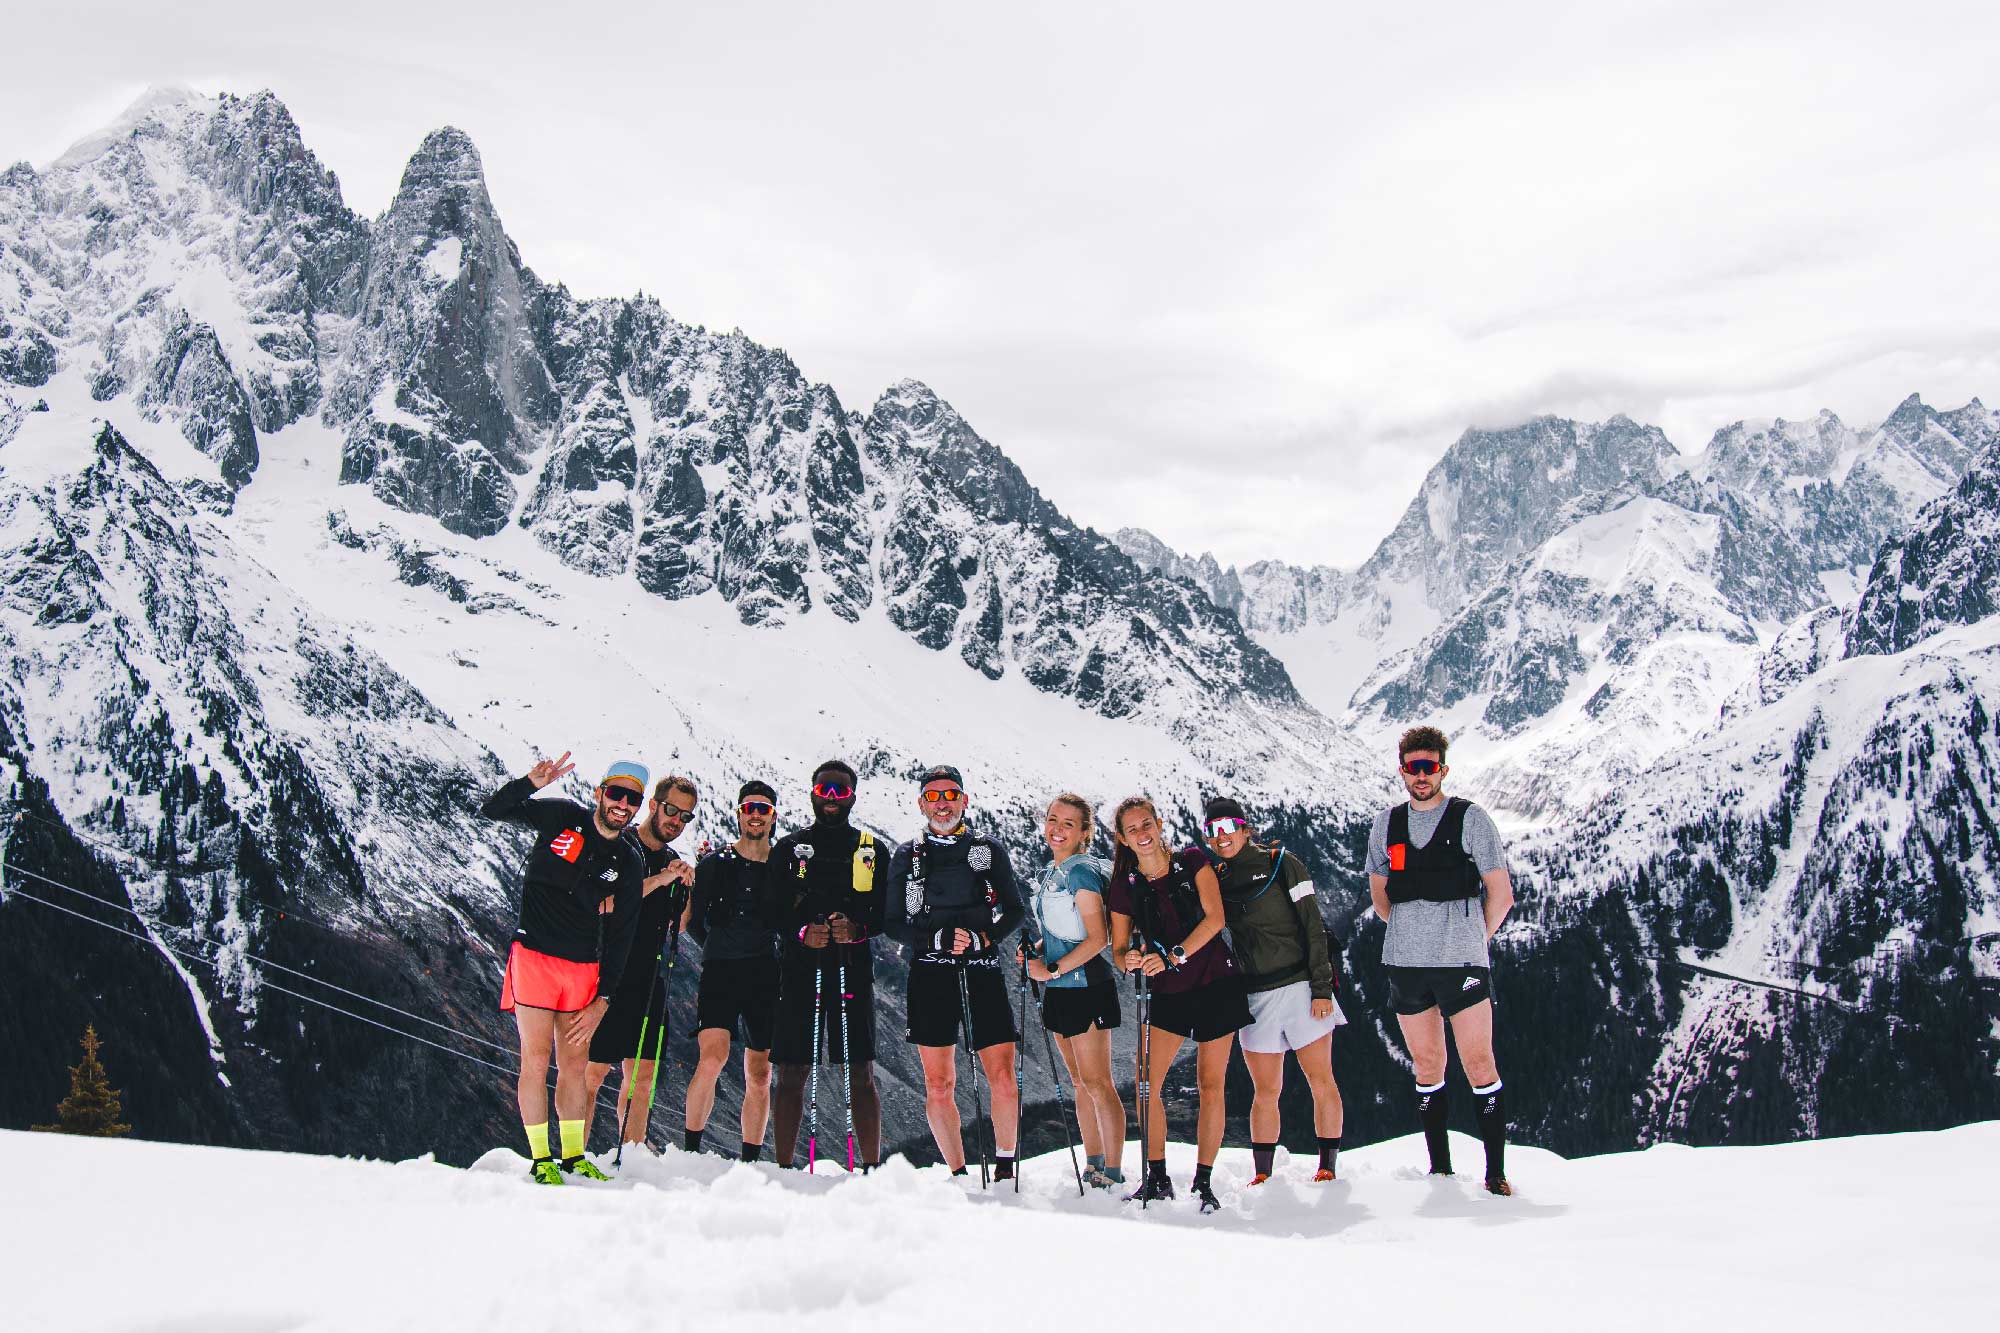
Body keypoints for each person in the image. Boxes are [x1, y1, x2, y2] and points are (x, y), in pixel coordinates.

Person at [480, 753, 650, 1184]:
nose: (622, 805)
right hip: (534, 957)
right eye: (616, 793)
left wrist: (604, 1000)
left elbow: (623, 935)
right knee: (535, 1062)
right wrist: (529, 783)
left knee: (574, 1067)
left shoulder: (629, 861)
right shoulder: (561, 816)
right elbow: (493, 810)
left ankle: (573, 1156)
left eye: (632, 799)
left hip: (582, 970)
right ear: (600, 793)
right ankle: (541, 1160)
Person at [1368, 725, 1517, 1196]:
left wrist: (1473, 940)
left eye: (1429, 767)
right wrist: (1413, 935)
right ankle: (1441, 1170)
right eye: (1413, 768)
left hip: (1462, 964)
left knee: (1478, 1062)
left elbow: (1502, 893)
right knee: (1428, 1064)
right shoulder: (1385, 825)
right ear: (1402, 771)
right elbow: (1380, 898)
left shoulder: (1471, 820)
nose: (1421, 775)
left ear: (1443, 769)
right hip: (1407, 966)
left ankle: (1494, 1174)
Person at [1103, 796, 1249, 1213]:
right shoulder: (1124, 887)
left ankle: (1203, 1182)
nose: (1142, 834)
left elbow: (1215, 918)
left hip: (1216, 983)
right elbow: (1117, 948)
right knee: (1146, 1084)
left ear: (1159, 823)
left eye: (1147, 824)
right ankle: (1158, 1177)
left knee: (1210, 1085)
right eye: (1133, 829)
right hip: (1168, 991)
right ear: (1122, 838)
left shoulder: (1192, 861)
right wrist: (1127, 959)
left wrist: (1172, 956)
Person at [886, 765, 1026, 1182]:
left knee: (1001, 1075)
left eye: (950, 795)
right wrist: (938, 940)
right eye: (933, 796)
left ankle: (1004, 1166)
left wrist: (984, 939)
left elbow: (1015, 910)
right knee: (939, 1083)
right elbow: (892, 922)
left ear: (964, 800)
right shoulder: (906, 855)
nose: (942, 803)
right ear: (921, 803)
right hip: (930, 975)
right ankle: (959, 1173)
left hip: (982, 969)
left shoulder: (988, 849)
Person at [1202, 795, 1345, 1184]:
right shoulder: (1216, 879)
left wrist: (1321, 988)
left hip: (1301, 986)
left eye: (1228, 826)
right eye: (1212, 831)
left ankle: (1327, 1166)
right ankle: (1262, 1175)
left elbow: (1313, 926)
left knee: (1321, 1080)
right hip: (1256, 995)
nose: (1221, 836)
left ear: (1245, 828)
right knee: (1265, 1090)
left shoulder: (1282, 864)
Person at [769, 760, 887, 1171]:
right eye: (825, 791)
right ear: (813, 793)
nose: (832, 799)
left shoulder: (871, 849)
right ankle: (784, 1167)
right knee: (791, 1070)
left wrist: (858, 928)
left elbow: (886, 913)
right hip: (799, 971)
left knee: (861, 1072)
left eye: (840, 791)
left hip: (851, 967)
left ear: (853, 795)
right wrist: (801, 932)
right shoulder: (789, 849)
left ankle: (870, 1168)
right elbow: (773, 910)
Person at [582, 775, 698, 1156]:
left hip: (648, 976)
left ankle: (632, 1153)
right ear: (653, 805)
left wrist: (685, 888)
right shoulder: (620, 844)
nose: (676, 821)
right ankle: (574, 1152)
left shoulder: (669, 861)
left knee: (643, 1073)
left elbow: (678, 924)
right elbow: (604, 902)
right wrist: (660, 879)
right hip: (607, 972)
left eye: (685, 816)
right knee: (594, 1071)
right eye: (671, 811)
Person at [1020, 793, 1126, 1188]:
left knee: (1098, 1082)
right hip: (1062, 987)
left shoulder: (1080, 872)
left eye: (1068, 824)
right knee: (1080, 1083)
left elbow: (1098, 938)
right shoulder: (1052, 871)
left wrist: (1050, 968)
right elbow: (1067, 935)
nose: (1057, 829)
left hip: (1086, 985)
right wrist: (1039, 953)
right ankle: (1094, 1161)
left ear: (1085, 832)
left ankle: (1112, 1170)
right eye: (1052, 820)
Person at [681, 780, 783, 1160]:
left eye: (763, 808)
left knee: (760, 1073)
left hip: (766, 974)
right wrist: (716, 946)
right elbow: (694, 919)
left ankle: (751, 1159)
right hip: (721, 971)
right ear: (739, 813)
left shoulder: (783, 866)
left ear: (773, 816)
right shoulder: (714, 865)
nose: (755, 814)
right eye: (749, 807)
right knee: (713, 1057)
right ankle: (692, 1150)